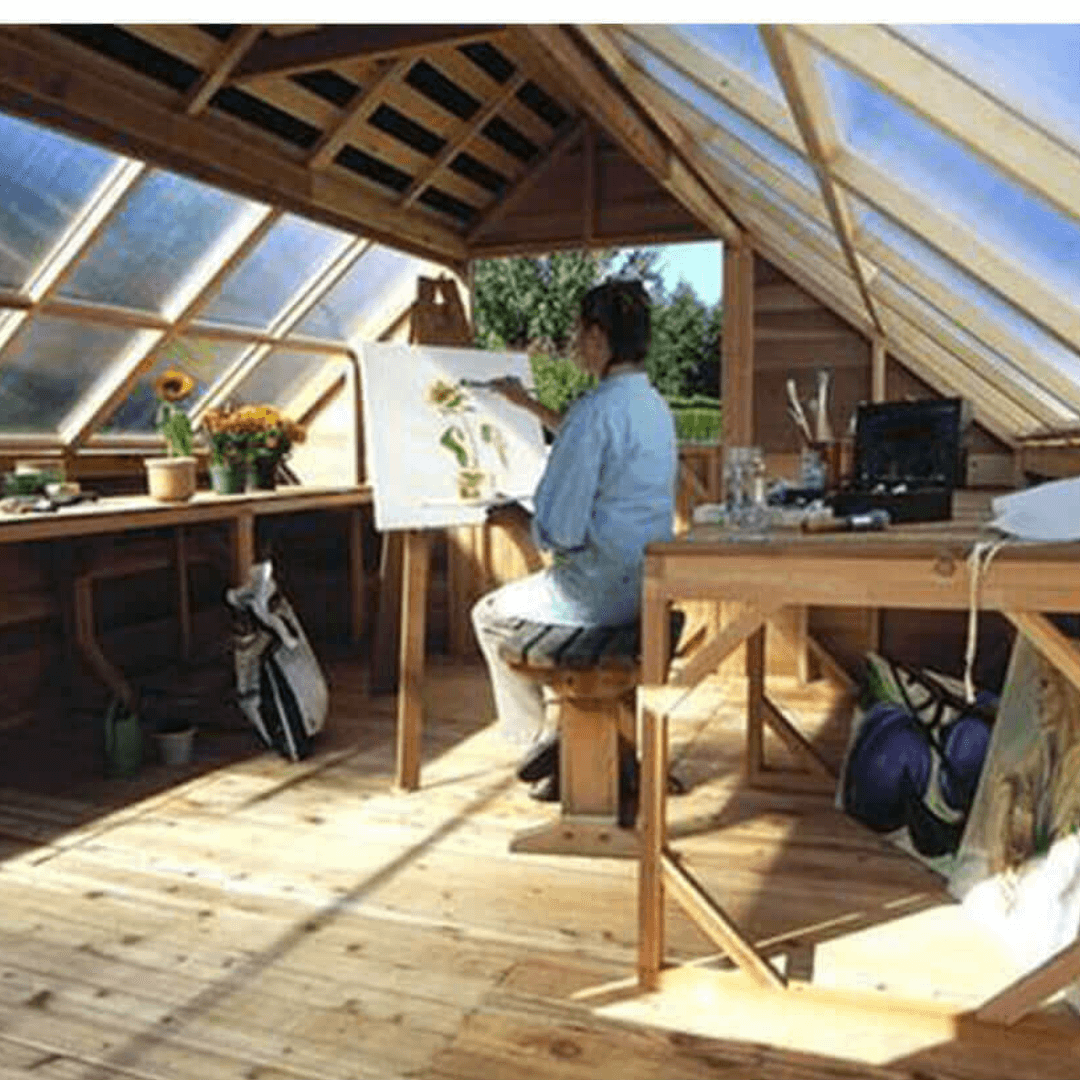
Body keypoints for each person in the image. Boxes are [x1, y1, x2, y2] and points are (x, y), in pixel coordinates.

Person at [471, 279, 677, 783]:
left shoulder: (594, 412)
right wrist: (527, 406)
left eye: (578, 331)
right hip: (646, 586)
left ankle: (542, 738)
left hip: (595, 594)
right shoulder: (652, 406)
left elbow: (559, 532)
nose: (574, 342)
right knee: (532, 598)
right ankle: (564, 744)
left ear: (600, 335)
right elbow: (599, 442)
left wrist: (521, 521)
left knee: (487, 614)